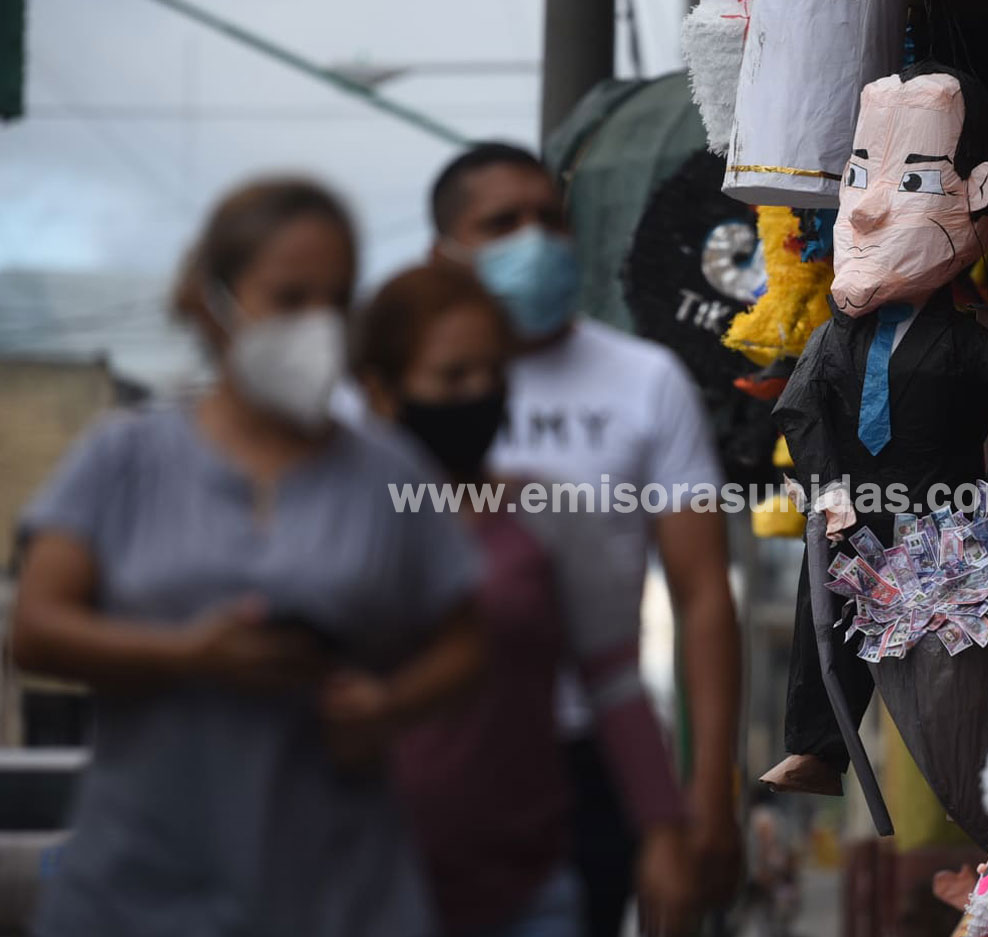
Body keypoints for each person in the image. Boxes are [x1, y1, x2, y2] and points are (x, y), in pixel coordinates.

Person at [10, 178, 484, 937]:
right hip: (140, 877)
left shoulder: (389, 471)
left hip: (338, 882)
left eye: (335, 300)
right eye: (288, 298)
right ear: (213, 302)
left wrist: (389, 707)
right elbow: (35, 627)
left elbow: (467, 635)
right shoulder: (122, 456)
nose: (317, 327)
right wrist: (188, 653)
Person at [427, 143, 743, 936]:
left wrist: (706, 795)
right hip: (422, 747)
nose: (534, 241)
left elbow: (702, 595)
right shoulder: (394, 388)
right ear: (446, 252)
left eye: (550, 221)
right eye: (502, 223)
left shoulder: (645, 382)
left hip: (588, 754)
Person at [765, 63, 988, 849]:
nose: (867, 208)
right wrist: (828, 488)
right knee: (823, 618)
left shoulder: (961, 340)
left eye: (910, 180)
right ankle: (818, 746)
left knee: (954, 671)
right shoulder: (836, 337)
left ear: (976, 190)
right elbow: (798, 405)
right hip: (854, 513)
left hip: (941, 530)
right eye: (859, 178)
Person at [352, 262, 697, 937]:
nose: (480, 394)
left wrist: (664, 832)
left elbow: (616, 682)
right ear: (383, 392)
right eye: (453, 377)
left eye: (492, 374)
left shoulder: (549, 514)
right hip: (362, 878)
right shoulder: (336, 517)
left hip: (528, 880)